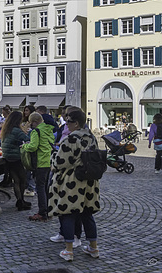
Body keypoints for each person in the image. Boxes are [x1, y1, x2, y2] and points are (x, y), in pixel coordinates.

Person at [48, 109, 100, 262]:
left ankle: (69, 250)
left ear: (76, 123)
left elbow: (60, 162)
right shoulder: (91, 137)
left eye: (68, 121)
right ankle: (93, 247)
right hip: (89, 181)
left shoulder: (71, 139)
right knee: (87, 214)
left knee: (68, 213)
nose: (66, 124)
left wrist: (53, 155)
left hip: (71, 182)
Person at [23, 112, 55, 222]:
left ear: (34, 122)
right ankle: (48, 210)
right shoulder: (48, 129)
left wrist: (24, 146)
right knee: (46, 187)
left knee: (40, 188)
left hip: (40, 162)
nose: (30, 125)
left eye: (31, 123)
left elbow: (33, 146)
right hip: (48, 162)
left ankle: (42, 212)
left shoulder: (36, 131)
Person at [0, 110, 30, 211]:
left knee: (16, 180)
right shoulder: (17, 130)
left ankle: (19, 200)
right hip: (16, 158)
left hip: (7, 158)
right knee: (22, 180)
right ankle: (21, 201)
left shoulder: (6, 129)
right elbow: (27, 138)